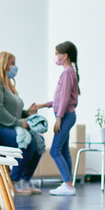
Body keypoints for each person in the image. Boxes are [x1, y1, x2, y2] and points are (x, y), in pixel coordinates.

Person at [0, 51, 42, 195]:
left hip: (7, 126)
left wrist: (27, 113)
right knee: (27, 142)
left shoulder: (8, 86)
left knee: (39, 142)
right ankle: (14, 181)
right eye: (12, 64)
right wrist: (19, 123)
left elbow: (12, 110)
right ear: (3, 64)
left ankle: (24, 181)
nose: (15, 67)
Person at [37, 41, 80, 196]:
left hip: (65, 115)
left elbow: (65, 98)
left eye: (56, 54)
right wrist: (43, 105)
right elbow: (60, 98)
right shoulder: (69, 71)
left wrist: (59, 118)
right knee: (63, 150)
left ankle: (68, 185)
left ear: (65, 55)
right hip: (66, 114)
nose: (55, 57)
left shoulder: (67, 72)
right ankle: (68, 184)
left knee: (55, 150)